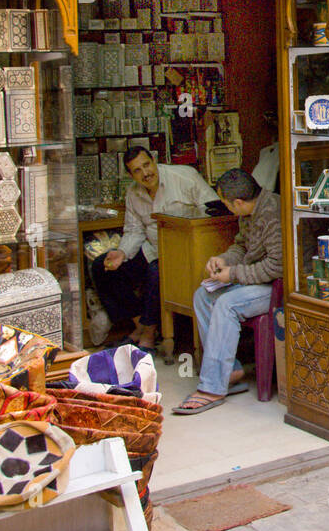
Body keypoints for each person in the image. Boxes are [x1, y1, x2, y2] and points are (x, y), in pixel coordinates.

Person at [172, 168, 282, 415]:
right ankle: (229, 369)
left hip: (276, 287)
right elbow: (242, 246)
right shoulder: (249, 212)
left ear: (239, 202)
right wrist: (223, 260)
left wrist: (232, 275)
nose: (228, 208)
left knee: (226, 304)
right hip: (255, 279)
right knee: (203, 296)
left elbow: (277, 267)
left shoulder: (272, 214)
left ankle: (212, 388)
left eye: (227, 204)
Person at [91, 146, 218, 351]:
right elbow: (134, 230)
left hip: (185, 250)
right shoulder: (133, 193)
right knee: (101, 267)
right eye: (137, 171)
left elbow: (214, 211)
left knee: (156, 272)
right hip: (152, 247)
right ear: (131, 175)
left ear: (154, 160)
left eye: (147, 165)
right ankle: (140, 323)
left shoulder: (184, 177)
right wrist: (121, 253)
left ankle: (148, 333)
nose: (145, 173)